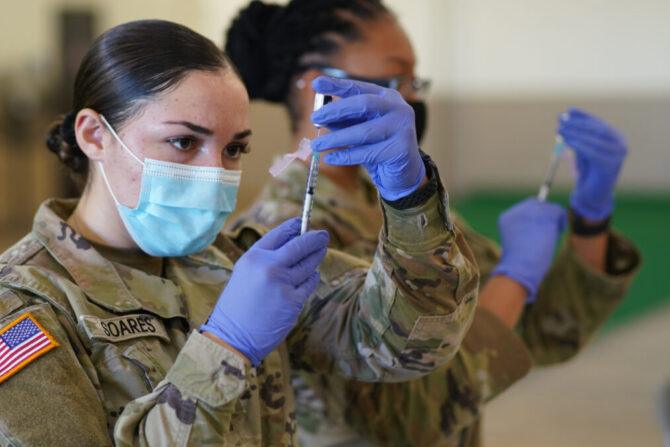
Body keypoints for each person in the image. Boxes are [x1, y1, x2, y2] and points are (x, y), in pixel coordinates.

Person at [0, 19, 481, 446]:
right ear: (95, 134)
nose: (214, 170)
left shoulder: (234, 265)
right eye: (182, 142)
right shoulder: (10, 315)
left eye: (234, 148)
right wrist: (225, 347)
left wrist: (408, 196)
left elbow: (411, 341)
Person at [225, 0, 642, 445]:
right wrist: (516, 277)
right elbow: (415, 408)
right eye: (394, 77)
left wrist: (591, 221)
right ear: (317, 86)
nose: (410, 98)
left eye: (413, 81)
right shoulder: (287, 231)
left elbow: (543, 332)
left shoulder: (403, 205)